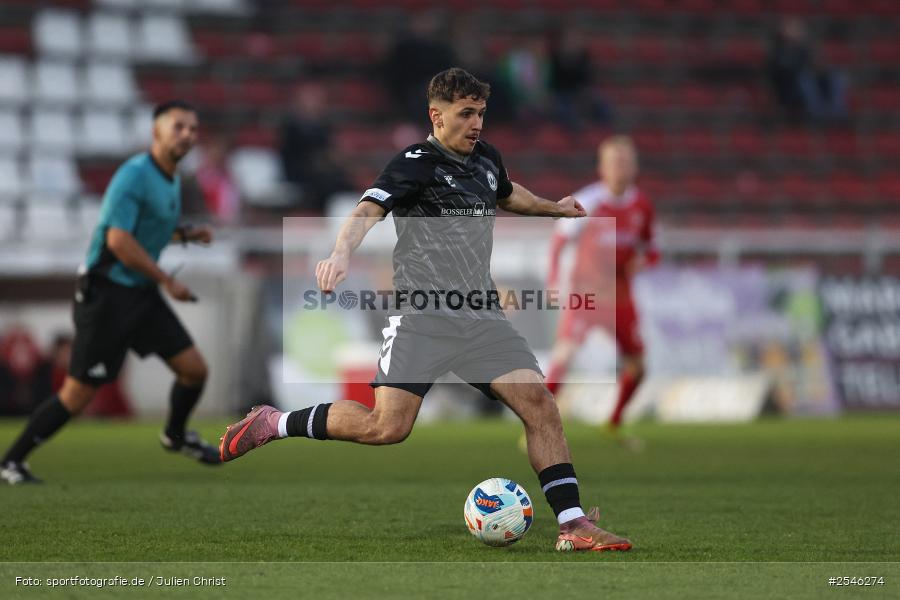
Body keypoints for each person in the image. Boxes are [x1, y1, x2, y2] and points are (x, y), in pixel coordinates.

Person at [219, 68, 632, 553]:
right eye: (466, 113)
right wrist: (341, 253)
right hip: (424, 316)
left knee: (540, 405)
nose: (477, 123)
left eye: (480, 113)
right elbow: (367, 210)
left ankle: (573, 525)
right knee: (386, 427)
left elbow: (508, 192)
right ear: (436, 116)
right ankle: (274, 422)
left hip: (480, 317)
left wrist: (554, 208)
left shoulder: (486, 160)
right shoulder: (414, 163)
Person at [1, 100, 220, 485]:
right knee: (77, 395)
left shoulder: (170, 178)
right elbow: (119, 241)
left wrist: (185, 234)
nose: (187, 134)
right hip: (107, 294)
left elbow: (146, 228)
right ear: (156, 131)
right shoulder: (134, 175)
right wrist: (167, 280)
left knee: (194, 370)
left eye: (193, 128)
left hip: (139, 292)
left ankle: (174, 435)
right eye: (178, 126)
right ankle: (12, 461)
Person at [543, 136, 659, 440]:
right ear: (602, 168)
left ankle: (614, 422)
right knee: (565, 356)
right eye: (614, 162)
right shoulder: (589, 201)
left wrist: (643, 263)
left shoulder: (642, 206)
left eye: (625, 162)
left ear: (634, 167)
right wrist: (554, 279)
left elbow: (652, 249)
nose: (620, 168)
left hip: (621, 298)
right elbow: (558, 241)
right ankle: (538, 424)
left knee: (639, 366)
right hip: (587, 295)